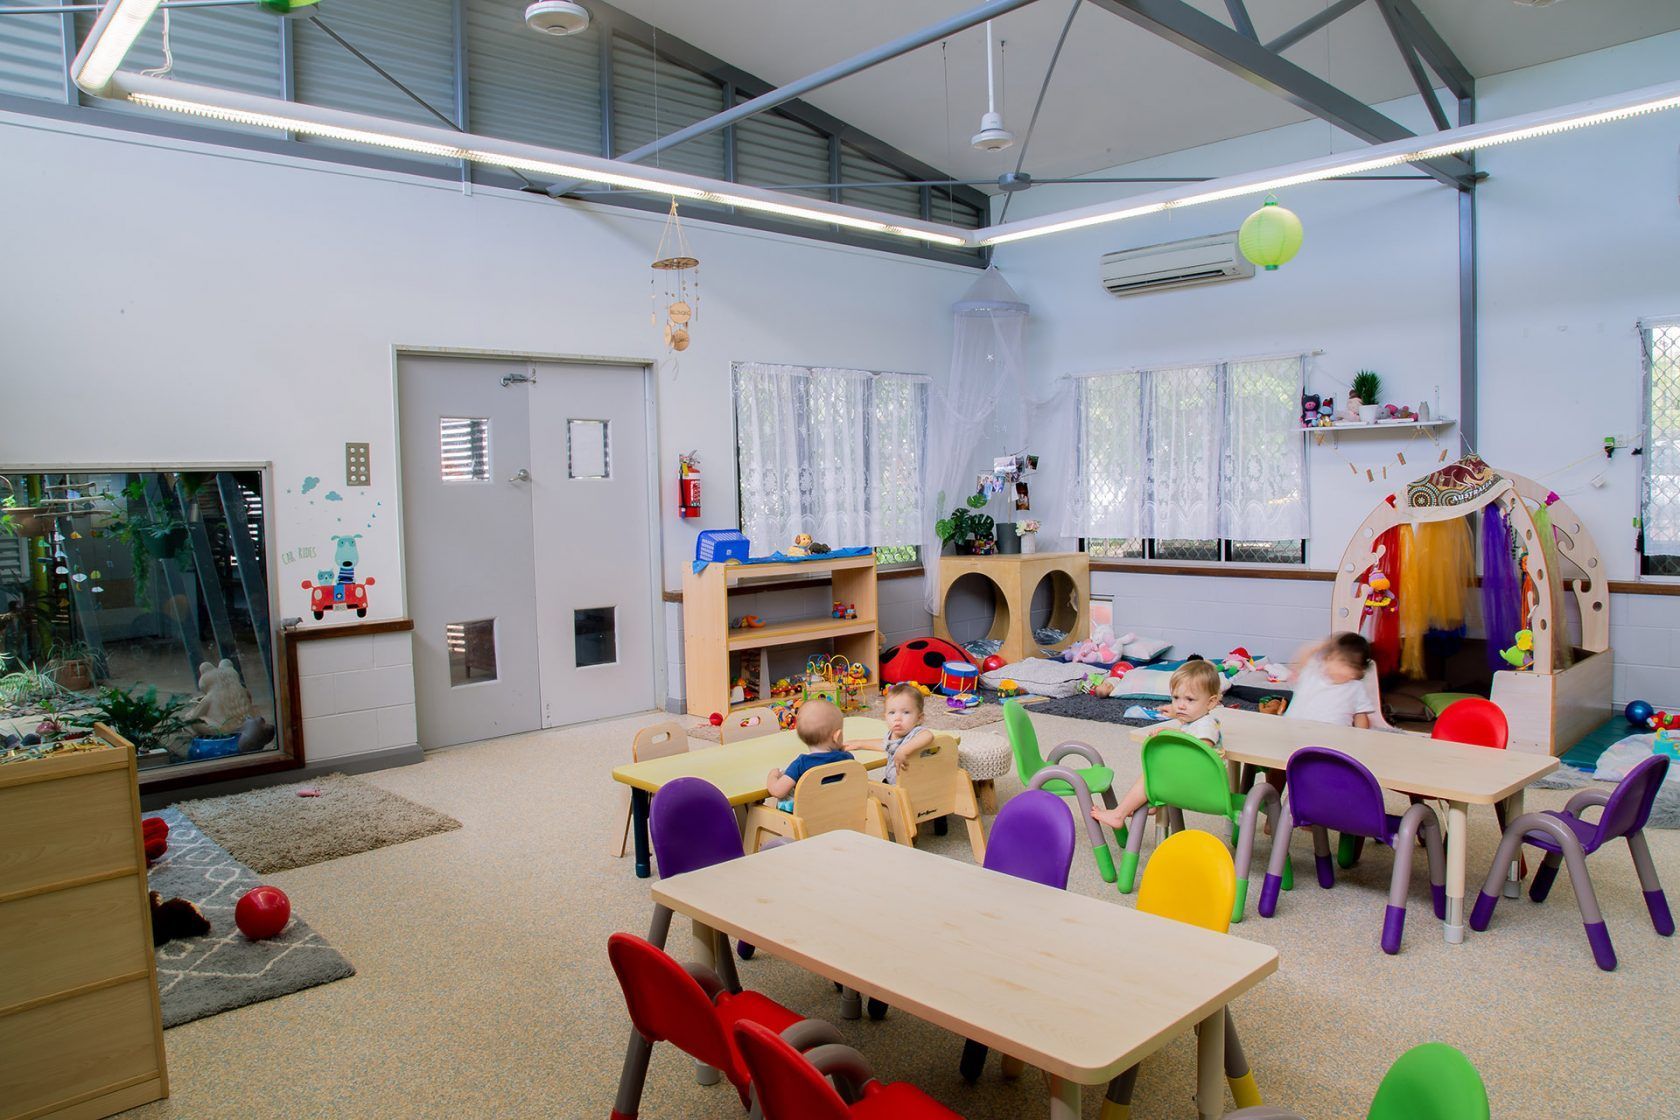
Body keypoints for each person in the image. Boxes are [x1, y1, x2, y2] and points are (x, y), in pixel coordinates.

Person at [1090, 660, 1223, 831]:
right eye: (1176, 698)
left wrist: (1171, 734)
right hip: (1193, 780)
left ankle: (1119, 814)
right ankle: (1151, 801)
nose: (1181, 705)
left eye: (1190, 699)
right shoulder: (1196, 721)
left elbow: (1199, 749)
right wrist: (1172, 723)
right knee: (1156, 770)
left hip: (1203, 786)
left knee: (1151, 775)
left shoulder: (1207, 725)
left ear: (1211, 702)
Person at [765, 699, 852, 813]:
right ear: (838, 736)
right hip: (841, 813)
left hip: (807, 819)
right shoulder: (847, 758)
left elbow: (778, 791)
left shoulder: (801, 764)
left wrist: (773, 775)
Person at [880, 682, 935, 784]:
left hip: (911, 785)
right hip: (892, 783)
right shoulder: (891, 734)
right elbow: (883, 744)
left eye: (906, 712)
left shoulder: (915, 732)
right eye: (892, 712)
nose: (897, 718)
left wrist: (904, 750)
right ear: (885, 716)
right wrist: (859, 743)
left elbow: (928, 735)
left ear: (919, 718)